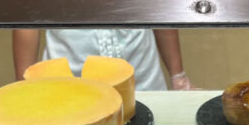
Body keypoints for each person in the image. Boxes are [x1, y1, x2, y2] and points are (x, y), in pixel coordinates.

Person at [12, 29, 195, 90]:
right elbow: (27, 20)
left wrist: (178, 76)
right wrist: (23, 88)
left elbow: (160, 4)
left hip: (142, 79)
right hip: (69, 85)